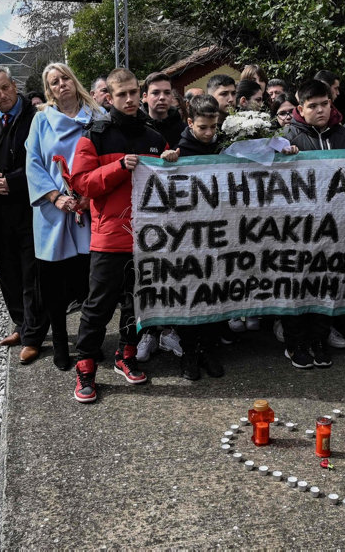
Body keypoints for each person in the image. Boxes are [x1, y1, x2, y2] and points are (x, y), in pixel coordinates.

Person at [69, 67, 177, 403]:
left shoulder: (155, 137)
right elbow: (81, 184)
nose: (129, 99)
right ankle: (85, 366)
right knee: (97, 306)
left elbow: (172, 187)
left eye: (133, 92)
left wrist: (172, 162)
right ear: (109, 97)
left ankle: (125, 355)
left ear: (140, 92)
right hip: (108, 237)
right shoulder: (95, 135)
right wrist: (118, 167)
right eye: (122, 94)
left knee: (137, 302)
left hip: (147, 239)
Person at [24, 63, 105, 369]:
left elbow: (107, 157)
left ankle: (88, 343)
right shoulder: (41, 120)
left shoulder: (98, 116)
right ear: (50, 90)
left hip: (88, 206)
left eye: (65, 78)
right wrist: (55, 197)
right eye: (54, 82)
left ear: (74, 80)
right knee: (53, 284)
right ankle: (60, 342)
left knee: (87, 283)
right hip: (52, 211)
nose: (61, 84)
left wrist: (89, 195)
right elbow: (32, 161)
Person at [0, 65, 49, 356]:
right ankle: (20, 324)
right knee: (7, 271)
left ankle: (33, 336)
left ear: (14, 85)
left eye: (5, 87)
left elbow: (44, 162)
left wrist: (11, 182)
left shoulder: (35, 118)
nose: (2, 95)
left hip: (29, 207)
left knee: (31, 273)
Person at [280, 79, 345, 368]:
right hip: (297, 229)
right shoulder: (288, 138)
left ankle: (318, 340)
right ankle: (294, 343)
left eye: (325, 103)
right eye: (313, 106)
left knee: (326, 285)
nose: (320, 110)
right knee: (296, 288)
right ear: (301, 108)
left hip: (334, 227)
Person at [167, 94, 228, 379]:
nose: (209, 133)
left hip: (220, 234)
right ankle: (189, 352)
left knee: (215, 293)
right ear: (190, 122)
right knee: (191, 293)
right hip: (188, 237)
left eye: (213, 127)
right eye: (203, 127)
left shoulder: (224, 148)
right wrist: (166, 163)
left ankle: (210, 349)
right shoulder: (180, 151)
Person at [142, 71, 183, 148]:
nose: (162, 97)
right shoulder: (137, 128)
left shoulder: (184, 131)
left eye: (167, 93)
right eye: (156, 93)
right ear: (145, 96)